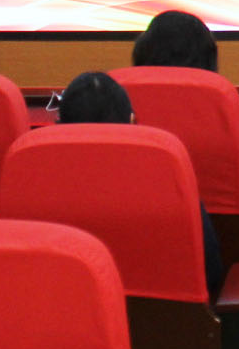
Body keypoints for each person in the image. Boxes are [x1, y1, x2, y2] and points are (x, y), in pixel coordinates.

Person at [60, 68, 223, 295]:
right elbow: (211, 271)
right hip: (168, 315)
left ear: (60, 126)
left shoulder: (36, 179)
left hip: (70, 310)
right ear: (132, 121)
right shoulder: (167, 174)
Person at [130, 9, 239, 211]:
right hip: (217, 230)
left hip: (126, 226)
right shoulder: (217, 103)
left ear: (141, 51)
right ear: (208, 57)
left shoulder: (118, 98)